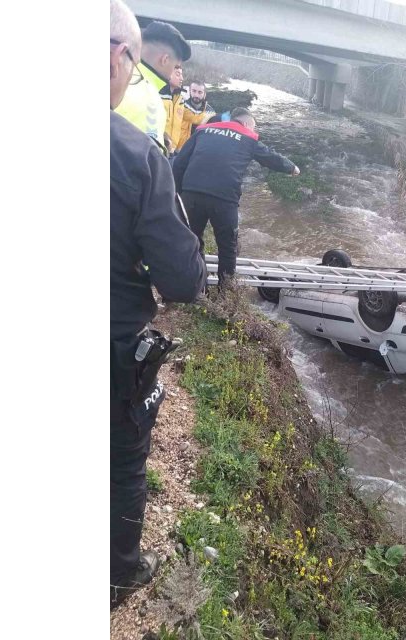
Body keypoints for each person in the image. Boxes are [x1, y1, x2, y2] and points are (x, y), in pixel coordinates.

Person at [110, 0, 206, 607]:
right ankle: (119, 572)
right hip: (111, 341)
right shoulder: (135, 153)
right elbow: (182, 281)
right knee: (122, 458)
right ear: (118, 58)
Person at [172, 108, 299, 287]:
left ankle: (199, 290)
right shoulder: (248, 137)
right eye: (253, 127)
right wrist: (292, 168)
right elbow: (270, 157)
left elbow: (179, 163)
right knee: (227, 248)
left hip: (192, 194)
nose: (254, 131)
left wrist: (180, 194)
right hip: (224, 199)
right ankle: (225, 294)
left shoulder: (203, 131)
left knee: (193, 243)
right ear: (246, 124)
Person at [114, 20, 192, 155]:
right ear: (165, 60)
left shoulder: (117, 76)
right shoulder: (150, 100)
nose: (175, 72)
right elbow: (145, 161)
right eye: (176, 67)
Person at [166, 80, 215, 154]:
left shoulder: (210, 113)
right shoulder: (180, 106)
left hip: (198, 151)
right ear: (189, 91)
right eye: (194, 91)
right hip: (178, 151)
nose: (196, 95)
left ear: (204, 94)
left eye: (200, 92)